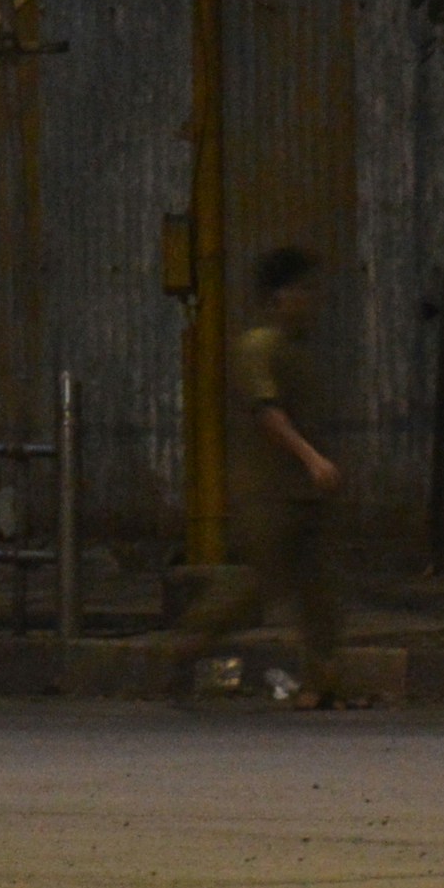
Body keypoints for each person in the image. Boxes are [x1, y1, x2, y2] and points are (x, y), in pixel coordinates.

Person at [160, 245, 348, 706]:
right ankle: (189, 642)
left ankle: (322, 683)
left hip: (304, 494)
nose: (312, 300)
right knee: (259, 585)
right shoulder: (259, 347)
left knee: (320, 591)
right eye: (303, 290)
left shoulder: (297, 350)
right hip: (269, 495)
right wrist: (312, 458)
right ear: (280, 296)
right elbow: (269, 412)